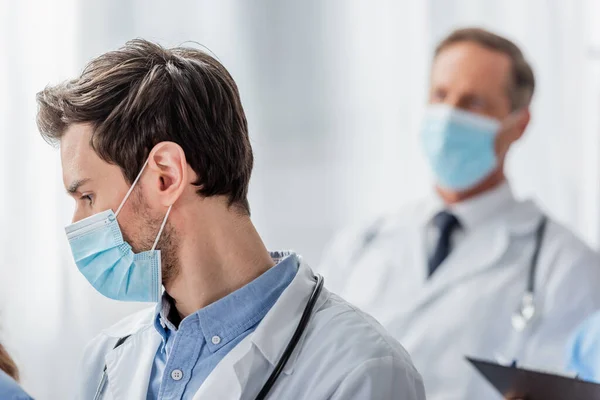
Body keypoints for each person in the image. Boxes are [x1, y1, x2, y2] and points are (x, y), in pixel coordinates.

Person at [35, 39, 425, 399]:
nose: (76, 222)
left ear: (165, 176)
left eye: (87, 196)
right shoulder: (107, 359)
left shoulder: (359, 371)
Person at [319, 27, 600, 399]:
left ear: (519, 124)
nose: (448, 115)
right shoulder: (361, 243)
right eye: (440, 95)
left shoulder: (567, 266)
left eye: (473, 103)